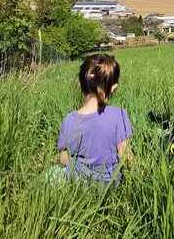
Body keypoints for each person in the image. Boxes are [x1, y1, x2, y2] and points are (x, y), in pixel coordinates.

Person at [55, 53, 133, 183]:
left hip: (78, 182)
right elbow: (125, 154)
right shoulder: (119, 114)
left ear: (80, 84)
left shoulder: (68, 120)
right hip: (110, 183)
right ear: (113, 88)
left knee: (54, 172)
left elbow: (64, 159)